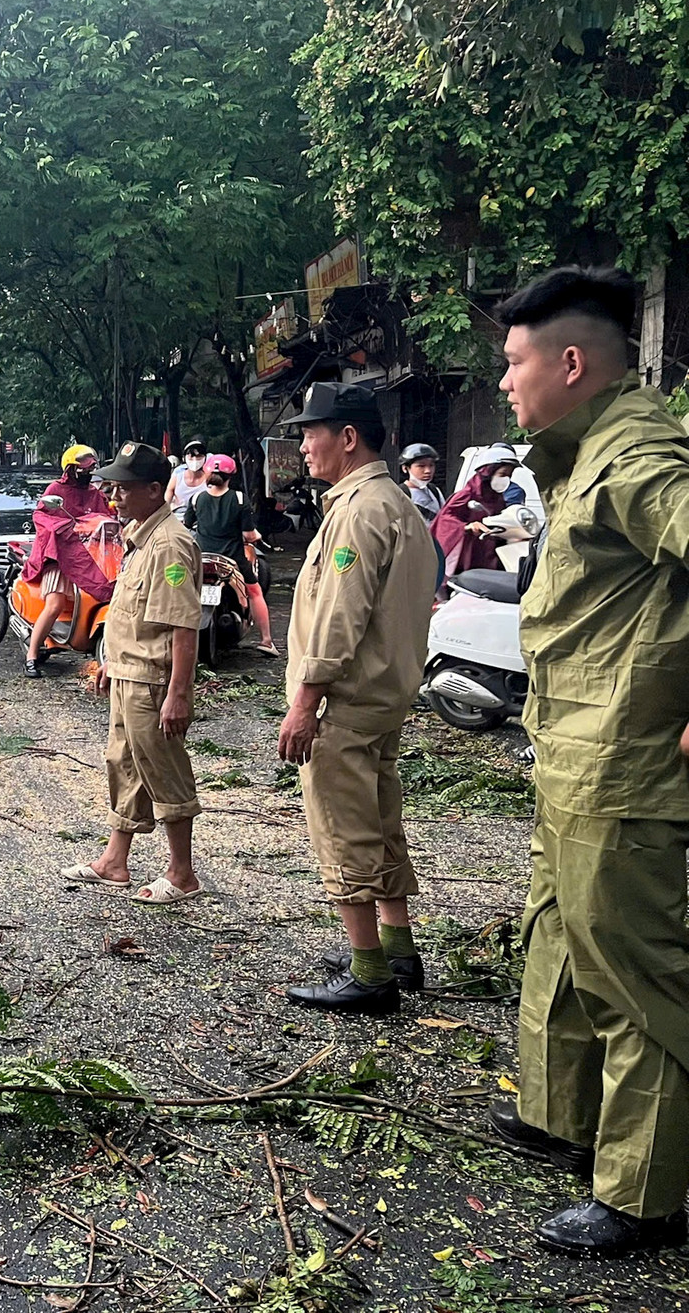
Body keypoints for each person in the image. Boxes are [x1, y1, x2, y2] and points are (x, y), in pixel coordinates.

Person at [486, 266, 689, 1258]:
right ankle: (565, 1119)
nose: (505, 384)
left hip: (624, 764)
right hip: (570, 753)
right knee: (557, 944)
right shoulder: (583, 456)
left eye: (515, 363)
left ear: (572, 363)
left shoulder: (640, 453)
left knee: (632, 976)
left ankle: (643, 1196)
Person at [274, 382, 437, 1015]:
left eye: (311, 432)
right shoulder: (395, 504)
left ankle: (370, 973)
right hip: (384, 693)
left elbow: (341, 615)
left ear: (347, 437)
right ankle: (397, 949)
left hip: (345, 698)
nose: (304, 445)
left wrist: (304, 699)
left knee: (343, 827)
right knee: (379, 818)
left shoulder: (359, 511)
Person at [64, 443, 203, 904]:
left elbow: (183, 625)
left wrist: (178, 694)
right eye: (112, 487)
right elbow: (131, 613)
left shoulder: (170, 545)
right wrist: (110, 662)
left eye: (123, 489)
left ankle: (182, 873)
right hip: (127, 671)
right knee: (124, 764)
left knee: (162, 769)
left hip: (152, 679)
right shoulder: (139, 536)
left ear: (154, 490)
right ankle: (113, 861)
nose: (113, 496)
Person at [21, 444, 115, 676]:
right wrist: (68, 528)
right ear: (71, 469)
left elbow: (109, 519)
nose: (87, 472)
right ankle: (31, 656)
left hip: (91, 558)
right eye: (82, 468)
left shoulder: (96, 494)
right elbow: (41, 517)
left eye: (91, 467)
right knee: (54, 605)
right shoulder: (56, 489)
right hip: (61, 555)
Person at [181, 453, 279, 655]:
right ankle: (267, 641)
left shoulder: (196, 499)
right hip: (232, 560)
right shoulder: (239, 499)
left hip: (202, 559)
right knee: (255, 592)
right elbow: (248, 535)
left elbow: (187, 525)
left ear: (207, 472)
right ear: (231, 475)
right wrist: (256, 536)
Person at [430, 443, 521, 579]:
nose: (506, 479)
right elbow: (445, 520)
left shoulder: (498, 498)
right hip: (467, 556)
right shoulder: (466, 495)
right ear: (488, 472)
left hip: (490, 554)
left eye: (509, 475)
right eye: (502, 474)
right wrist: (467, 526)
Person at [399, 443, 444, 519]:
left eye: (431, 465)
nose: (428, 471)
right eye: (421, 466)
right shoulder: (400, 494)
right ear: (405, 468)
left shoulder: (434, 491)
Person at [165, 438, 210, 510]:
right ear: (184, 458)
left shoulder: (209, 478)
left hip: (202, 517)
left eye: (199, 456)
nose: (195, 459)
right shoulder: (177, 476)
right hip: (179, 517)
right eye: (191, 456)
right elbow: (167, 500)